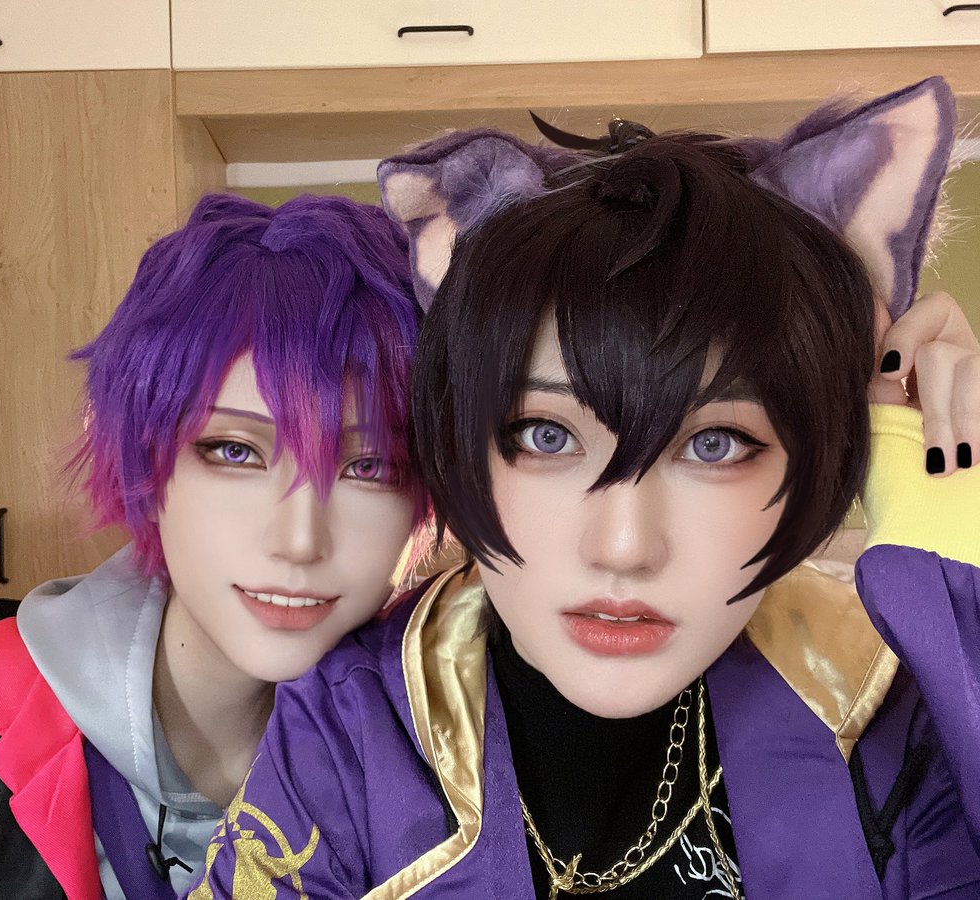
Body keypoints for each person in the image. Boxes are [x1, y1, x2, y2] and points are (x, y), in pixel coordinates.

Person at [189, 77, 980, 898]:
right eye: (546, 436)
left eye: (714, 445)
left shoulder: (885, 704)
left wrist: (963, 586)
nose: (624, 547)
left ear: (824, 453)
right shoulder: (357, 728)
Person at [0, 194, 427, 899]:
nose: (300, 540)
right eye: (234, 451)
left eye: (369, 466)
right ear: (146, 466)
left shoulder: (448, 748)